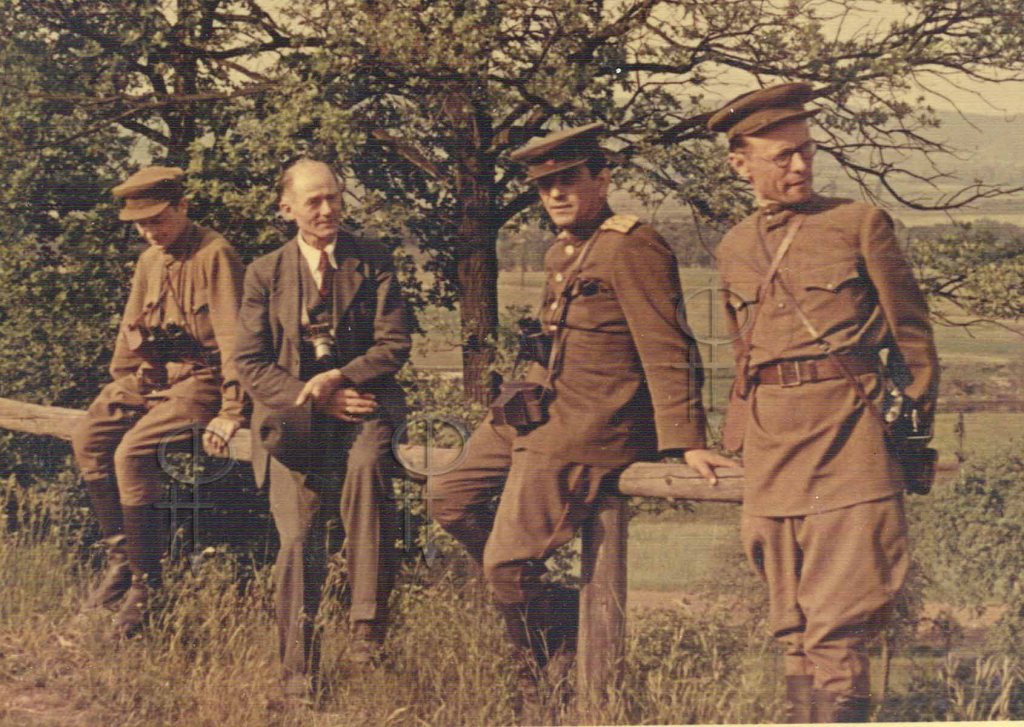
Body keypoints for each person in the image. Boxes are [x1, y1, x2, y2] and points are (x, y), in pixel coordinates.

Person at [427, 123, 733, 706]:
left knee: (505, 563)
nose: (556, 194)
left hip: (596, 423)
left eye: (569, 180)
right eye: (545, 187)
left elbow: (668, 347)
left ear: (603, 178)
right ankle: (555, 606)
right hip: (545, 410)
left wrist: (686, 439)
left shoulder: (633, 246)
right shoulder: (561, 250)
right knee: (448, 495)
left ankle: (542, 670)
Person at [707, 83, 940, 723]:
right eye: (781, 156)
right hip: (771, 448)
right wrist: (733, 442)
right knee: (790, 622)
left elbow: (912, 336)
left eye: (806, 151)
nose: (799, 166)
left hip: (848, 436)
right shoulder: (733, 246)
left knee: (839, 619)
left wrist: (906, 428)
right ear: (740, 164)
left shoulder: (858, 224)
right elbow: (744, 354)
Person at [233, 159, 411, 704]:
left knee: (367, 469)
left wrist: (341, 378)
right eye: (314, 201)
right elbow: (250, 362)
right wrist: (313, 396)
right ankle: (297, 676)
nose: (328, 209)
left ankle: (366, 625)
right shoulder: (265, 273)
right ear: (286, 208)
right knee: (298, 538)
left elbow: (394, 344)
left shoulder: (372, 260)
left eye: (334, 197)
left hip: (362, 406)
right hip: (294, 422)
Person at [71, 166, 246, 638]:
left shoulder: (215, 254)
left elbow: (235, 339)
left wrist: (232, 409)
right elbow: (130, 330)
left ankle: (145, 585)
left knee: (130, 454)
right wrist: (126, 386)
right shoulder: (150, 260)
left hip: (202, 380)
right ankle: (121, 561)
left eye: (158, 220)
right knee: (88, 437)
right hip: (155, 375)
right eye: (141, 224)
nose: (150, 231)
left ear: (182, 207)